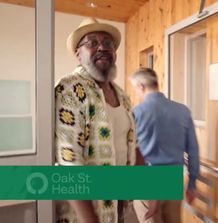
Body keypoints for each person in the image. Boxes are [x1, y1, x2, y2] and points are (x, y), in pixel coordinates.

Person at [55, 18, 137, 223]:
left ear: (115, 53)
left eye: (108, 43)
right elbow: (69, 161)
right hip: (84, 212)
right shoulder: (70, 88)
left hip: (117, 204)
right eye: (91, 42)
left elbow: (132, 146)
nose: (102, 47)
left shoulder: (123, 96)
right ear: (78, 54)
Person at [130, 68, 200, 223]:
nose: (136, 93)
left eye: (135, 89)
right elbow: (193, 150)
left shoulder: (137, 112)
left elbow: (132, 151)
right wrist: (192, 183)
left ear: (141, 86)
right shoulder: (182, 111)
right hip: (172, 178)